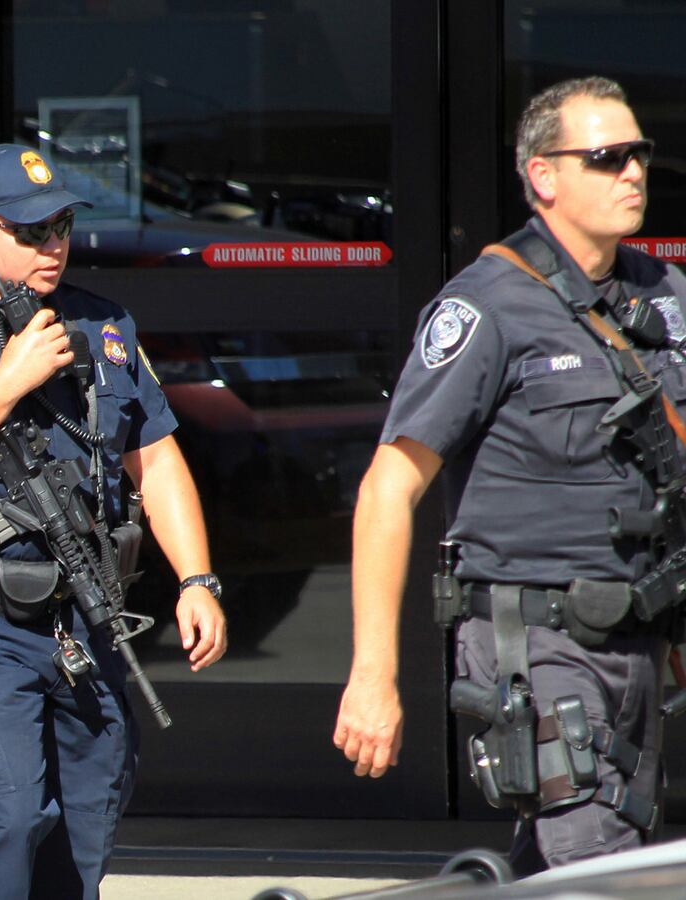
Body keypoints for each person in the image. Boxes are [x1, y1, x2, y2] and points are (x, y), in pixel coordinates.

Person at [0, 143, 227, 899]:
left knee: (87, 823)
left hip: (87, 623)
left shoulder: (102, 323)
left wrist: (196, 578)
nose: (52, 244)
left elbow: (154, 458)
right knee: (8, 816)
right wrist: (8, 381)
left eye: (60, 226)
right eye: (30, 231)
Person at [333, 76, 677, 871]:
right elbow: (390, 486)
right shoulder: (487, 307)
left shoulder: (665, 296)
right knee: (601, 869)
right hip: (540, 644)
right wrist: (374, 675)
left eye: (640, 155)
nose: (633, 172)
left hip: (640, 641)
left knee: (573, 860)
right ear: (544, 176)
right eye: (607, 156)